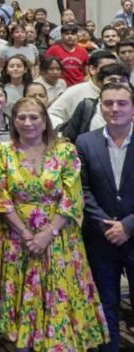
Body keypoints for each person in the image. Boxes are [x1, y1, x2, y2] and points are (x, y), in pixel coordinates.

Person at [0, 96, 108, 351]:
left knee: (57, 305)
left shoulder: (65, 152)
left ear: (45, 121)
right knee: (16, 312)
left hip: (58, 239)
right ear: (14, 121)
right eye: (21, 117)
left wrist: (48, 232)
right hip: (13, 239)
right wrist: (25, 233)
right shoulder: (1, 152)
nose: (28, 122)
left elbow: (72, 196)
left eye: (34, 117)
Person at [76, 81, 134, 352]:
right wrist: (107, 225)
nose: (115, 108)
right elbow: (83, 189)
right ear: (100, 106)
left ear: (132, 107)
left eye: (122, 103)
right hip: (100, 238)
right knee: (104, 304)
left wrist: (128, 225)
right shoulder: (85, 142)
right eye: (108, 103)